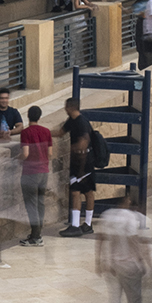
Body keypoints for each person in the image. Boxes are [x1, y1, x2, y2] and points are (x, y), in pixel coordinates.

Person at [97, 193, 151, 303]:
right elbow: (134, 241)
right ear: (126, 201)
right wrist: (142, 262)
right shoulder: (130, 217)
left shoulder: (107, 216)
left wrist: (99, 261)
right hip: (128, 265)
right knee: (135, 300)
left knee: (114, 299)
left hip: (110, 266)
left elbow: (100, 239)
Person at [61, 95, 99, 237]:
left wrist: (70, 150)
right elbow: (60, 133)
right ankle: (86, 224)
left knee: (78, 192)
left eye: (66, 107)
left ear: (71, 108)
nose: (65, 109)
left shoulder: (81, 122)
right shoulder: (71, 121)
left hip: (83, 163)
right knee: (85, 192)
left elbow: (83, 143)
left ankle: (78, 225)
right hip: (78, 163)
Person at [19, 103, 53, 245]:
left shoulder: (26, 133)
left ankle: (35, 236)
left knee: (31, 204)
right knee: (40, 203)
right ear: (39, 117)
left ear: (28, 116)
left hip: (30, 172)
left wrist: (16, 160)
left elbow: (25, 154)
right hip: (44, 171)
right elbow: (50, 153)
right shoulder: (46, 131)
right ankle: (37, 233)